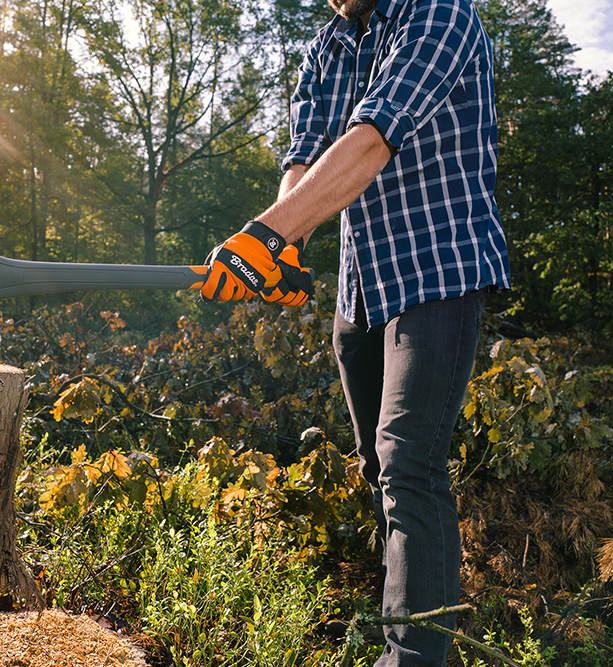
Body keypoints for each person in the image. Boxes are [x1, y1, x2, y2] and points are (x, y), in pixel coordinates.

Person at [199, 0, 511, 663]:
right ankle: (413, 633)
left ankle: (417, 655)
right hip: (363, 285)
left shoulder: (440, 14)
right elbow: (307, 155)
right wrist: (290, 242)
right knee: (379, 467)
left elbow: (373, 137)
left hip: (440, 269)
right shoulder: (327, 47)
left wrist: (267, 233)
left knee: (409, 463)